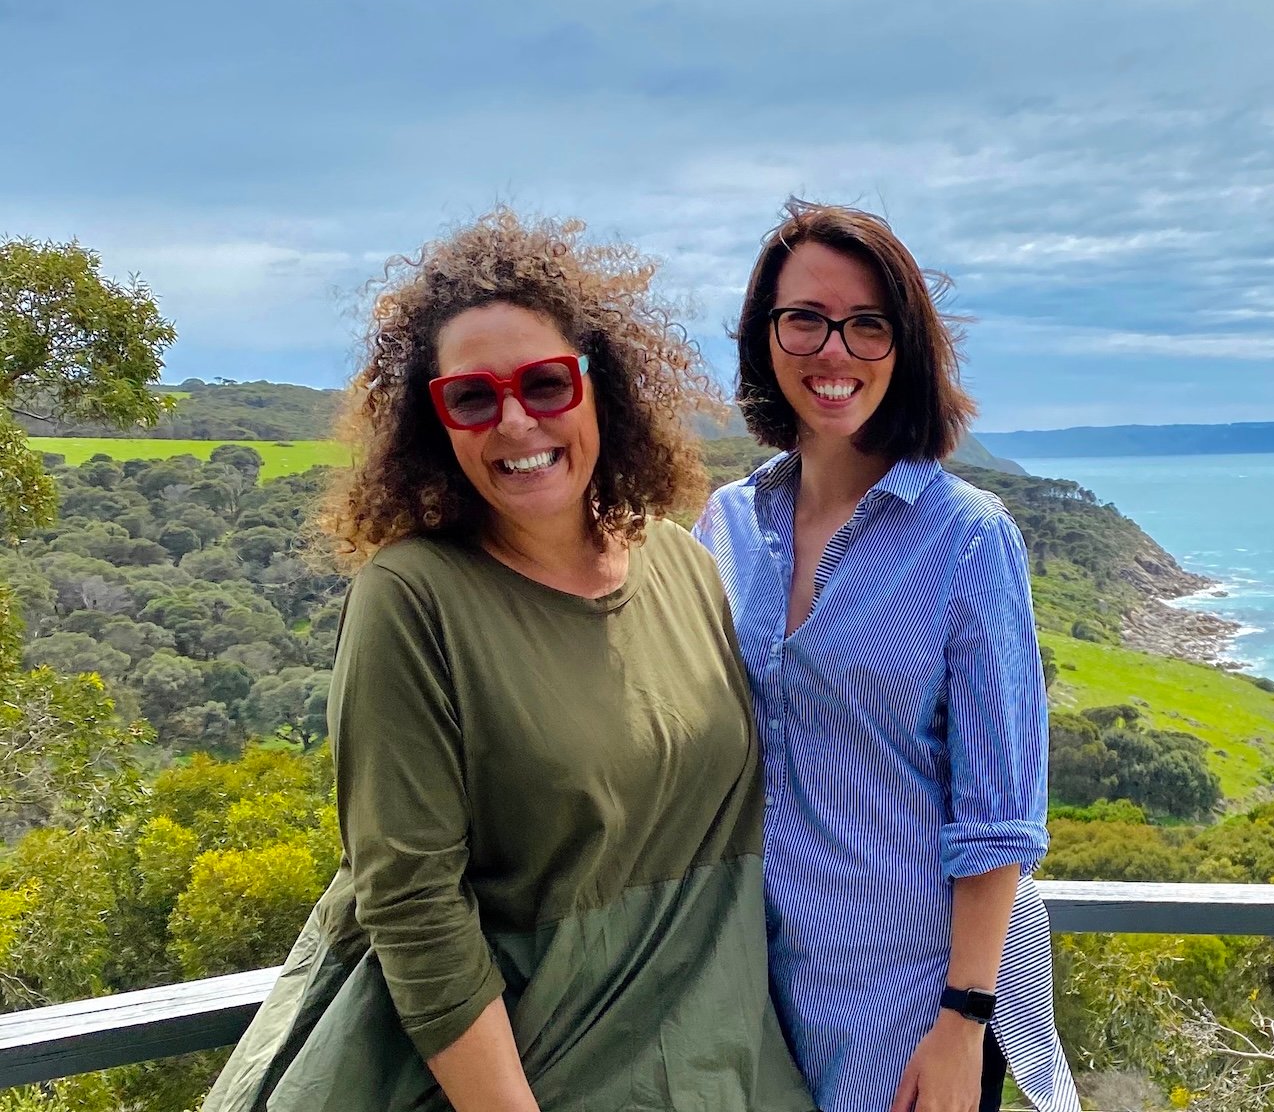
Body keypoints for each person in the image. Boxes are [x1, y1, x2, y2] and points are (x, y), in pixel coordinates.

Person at [206, 211, 816, 1112]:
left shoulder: (682, 564)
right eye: (473, 398)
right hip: (532, 1080)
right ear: (436, 423)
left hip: (720, 1067)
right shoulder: (413, 598)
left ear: (598, 386)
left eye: (545, 383)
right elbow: (412, 902)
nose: (516, 421)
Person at [694, 202, 1081, 1112]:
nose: (836, 351)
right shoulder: (727, 527)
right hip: (748, 982)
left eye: (868, 325)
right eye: (806, 320)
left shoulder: (967, 540)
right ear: (766, 337)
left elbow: (1001, 819)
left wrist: (963, 1021)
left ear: (904, 348)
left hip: (906, 1005)